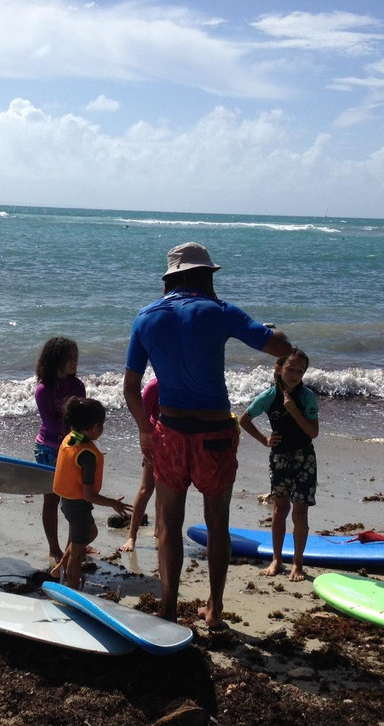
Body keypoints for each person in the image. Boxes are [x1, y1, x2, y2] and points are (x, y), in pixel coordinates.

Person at [123, 242, 292, 628]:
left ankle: (168, 607)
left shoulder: (146, 317)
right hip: (214, 433)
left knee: (167, 522)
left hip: (170, 431)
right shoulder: (220, 312)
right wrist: (270, 327)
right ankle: (214, 611)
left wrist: (145, 432)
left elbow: (131, 388)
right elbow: (282, 347)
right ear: (205, 276)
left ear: (171, 279)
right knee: (217, 524)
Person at [239, 348, 319, 582]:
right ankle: (276, 559)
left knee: (300, 512)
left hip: (304, 457)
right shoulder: (269, 396)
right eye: (290, 369)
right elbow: (244, 420)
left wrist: (294, 410)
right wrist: (264, 439)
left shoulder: (307, 397)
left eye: (300, 371)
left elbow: (313, 432)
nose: (295, 375)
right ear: (279, 368)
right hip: (280, 457)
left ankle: (297, 563)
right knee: (280, 509)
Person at [49, 398, 132, 589]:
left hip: (67, 501)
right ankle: (71, 587)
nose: (102, 430)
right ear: (95, 427)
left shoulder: (71, 437)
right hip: (78, 506)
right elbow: (88, 495)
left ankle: (59, 568)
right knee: (78, 553)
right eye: (101, 426)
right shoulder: (87, 455)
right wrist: (113, 503)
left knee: (91, 532)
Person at [33, 336, 85, 562]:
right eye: (69, 358)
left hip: (74, 446)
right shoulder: (43, 390)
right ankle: (54, 548)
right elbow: (53, 424)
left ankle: (72, 547)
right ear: (56, 360)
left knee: (76, 500)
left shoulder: (77, 385)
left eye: (75, 357)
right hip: (49, 448)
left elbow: (82, 418)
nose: (74, 362)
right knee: (51, 499)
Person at [119, 377, 159, 553]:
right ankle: (132, 536)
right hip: (154, 440)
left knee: (168, 490)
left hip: (175, 441)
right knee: (146, 489)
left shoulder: (181, 379)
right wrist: (146, 448)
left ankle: (159, 529)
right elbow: (142, 421)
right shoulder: (153, 386)